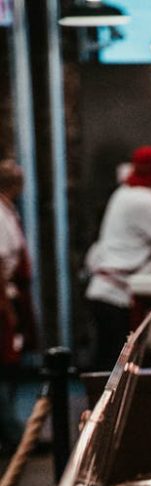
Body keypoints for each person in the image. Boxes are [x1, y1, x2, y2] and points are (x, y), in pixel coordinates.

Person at [85, 145, 151, 371]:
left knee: (107, 368)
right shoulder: (146, 199)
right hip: (116, 296)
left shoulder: (123, 193)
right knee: (116, 371)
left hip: (104, 291)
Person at [0, 158, 37, 453]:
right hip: (2, 298)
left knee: (10, 365)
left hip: (10, 294)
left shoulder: (8, 210)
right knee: (4, 364)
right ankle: (12, 433)